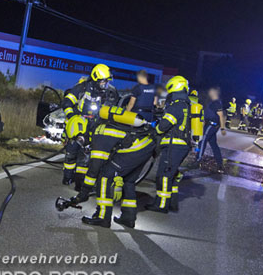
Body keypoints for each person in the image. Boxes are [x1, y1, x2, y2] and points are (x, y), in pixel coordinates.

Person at [70, 107, 156, 229]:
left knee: (105, 177)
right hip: (147, 145)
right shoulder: (100, 125)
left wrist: (83, 193)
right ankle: (128, 217)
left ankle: (103, 217)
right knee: (129, 181)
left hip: (135, 149)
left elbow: (95, 168)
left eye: (79, 140)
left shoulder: (99, 134)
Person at [61, 64, 119, 188]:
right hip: (79, 124)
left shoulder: (111, 92)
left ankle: (80, 182)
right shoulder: (81, 88)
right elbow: (67, 102)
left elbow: (113, 109)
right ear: (95, 79)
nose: (105, 84)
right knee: (71, 152)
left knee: (86, 155)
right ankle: (67, 176)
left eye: (107, 81)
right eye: (103, 81)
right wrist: (72, 117)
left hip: (97, 125)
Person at [146, 76, 192, 214]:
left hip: (174, 145)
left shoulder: (176, 104)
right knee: (172, 174)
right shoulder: (185, 104)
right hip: (181, 145)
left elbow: (164, 125)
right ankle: (171, 203)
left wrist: (156, 129)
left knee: (164, 175)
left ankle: (161, 205)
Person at [195, 86, 226, 171]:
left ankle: (198, 160)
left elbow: (221, 116)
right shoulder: (210, 102)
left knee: (202, 141)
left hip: (212, 125)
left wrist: (222, 128)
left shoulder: (216, 103)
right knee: (213, 145)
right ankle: (220, 163)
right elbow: (207, 116)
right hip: (209, 125)